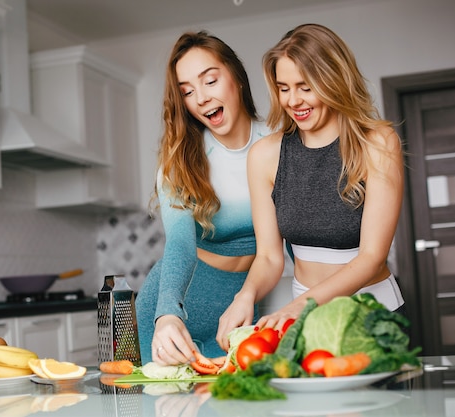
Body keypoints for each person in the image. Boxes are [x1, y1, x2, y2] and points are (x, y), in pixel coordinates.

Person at [217, 23, 405, 350]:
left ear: (333, 80)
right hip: (306, 319)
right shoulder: (264, 156)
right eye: (283, 88)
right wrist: (244, 296)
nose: (293, 100)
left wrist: (299, 307)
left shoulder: (378, 143)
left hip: (373, 314)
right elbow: (269, 258)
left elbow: (372, 257)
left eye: (305, 87)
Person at [136, 30, 272, 365]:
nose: (200, 98)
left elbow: (298, 239)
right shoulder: (179, 159)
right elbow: (180, 245)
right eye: (187, 92)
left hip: (243, 305)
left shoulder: (278, 144)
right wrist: (166, 314)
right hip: (176, 309)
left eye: (210, 80)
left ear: (236, 78)